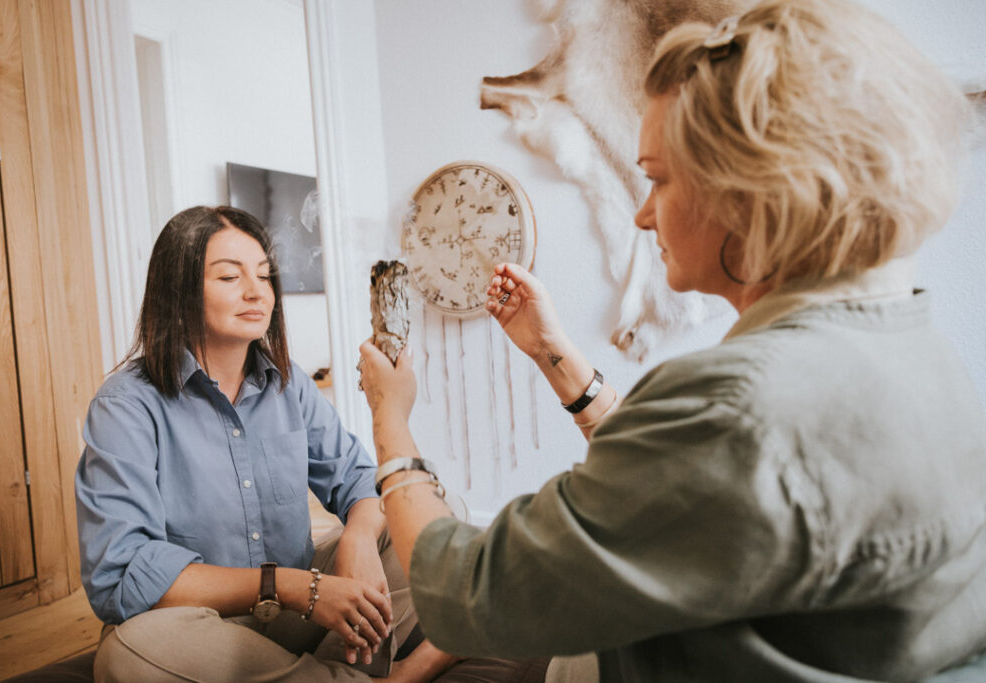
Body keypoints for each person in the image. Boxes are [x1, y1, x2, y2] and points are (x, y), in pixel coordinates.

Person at [356, 0, 986, 680]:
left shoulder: (740, 404)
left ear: (747, 191)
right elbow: (697, 493)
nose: (642, 211)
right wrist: (553, 354)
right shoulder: (915, 348)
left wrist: (391, 425)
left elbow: (462, 589)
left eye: (657, 178)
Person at [75, 206, 455, 682]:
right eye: (229, 277)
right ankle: (391, 674)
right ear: (179, 291)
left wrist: (357, 538)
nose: (257, 292)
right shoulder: (126, 404)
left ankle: (331, 670)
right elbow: (123, 575)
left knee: (429, 516)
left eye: (264, 275)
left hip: (297, 618)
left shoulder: (289, 382)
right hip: (204, 626)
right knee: (127, 654)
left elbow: (361, 480)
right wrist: (295, 587)